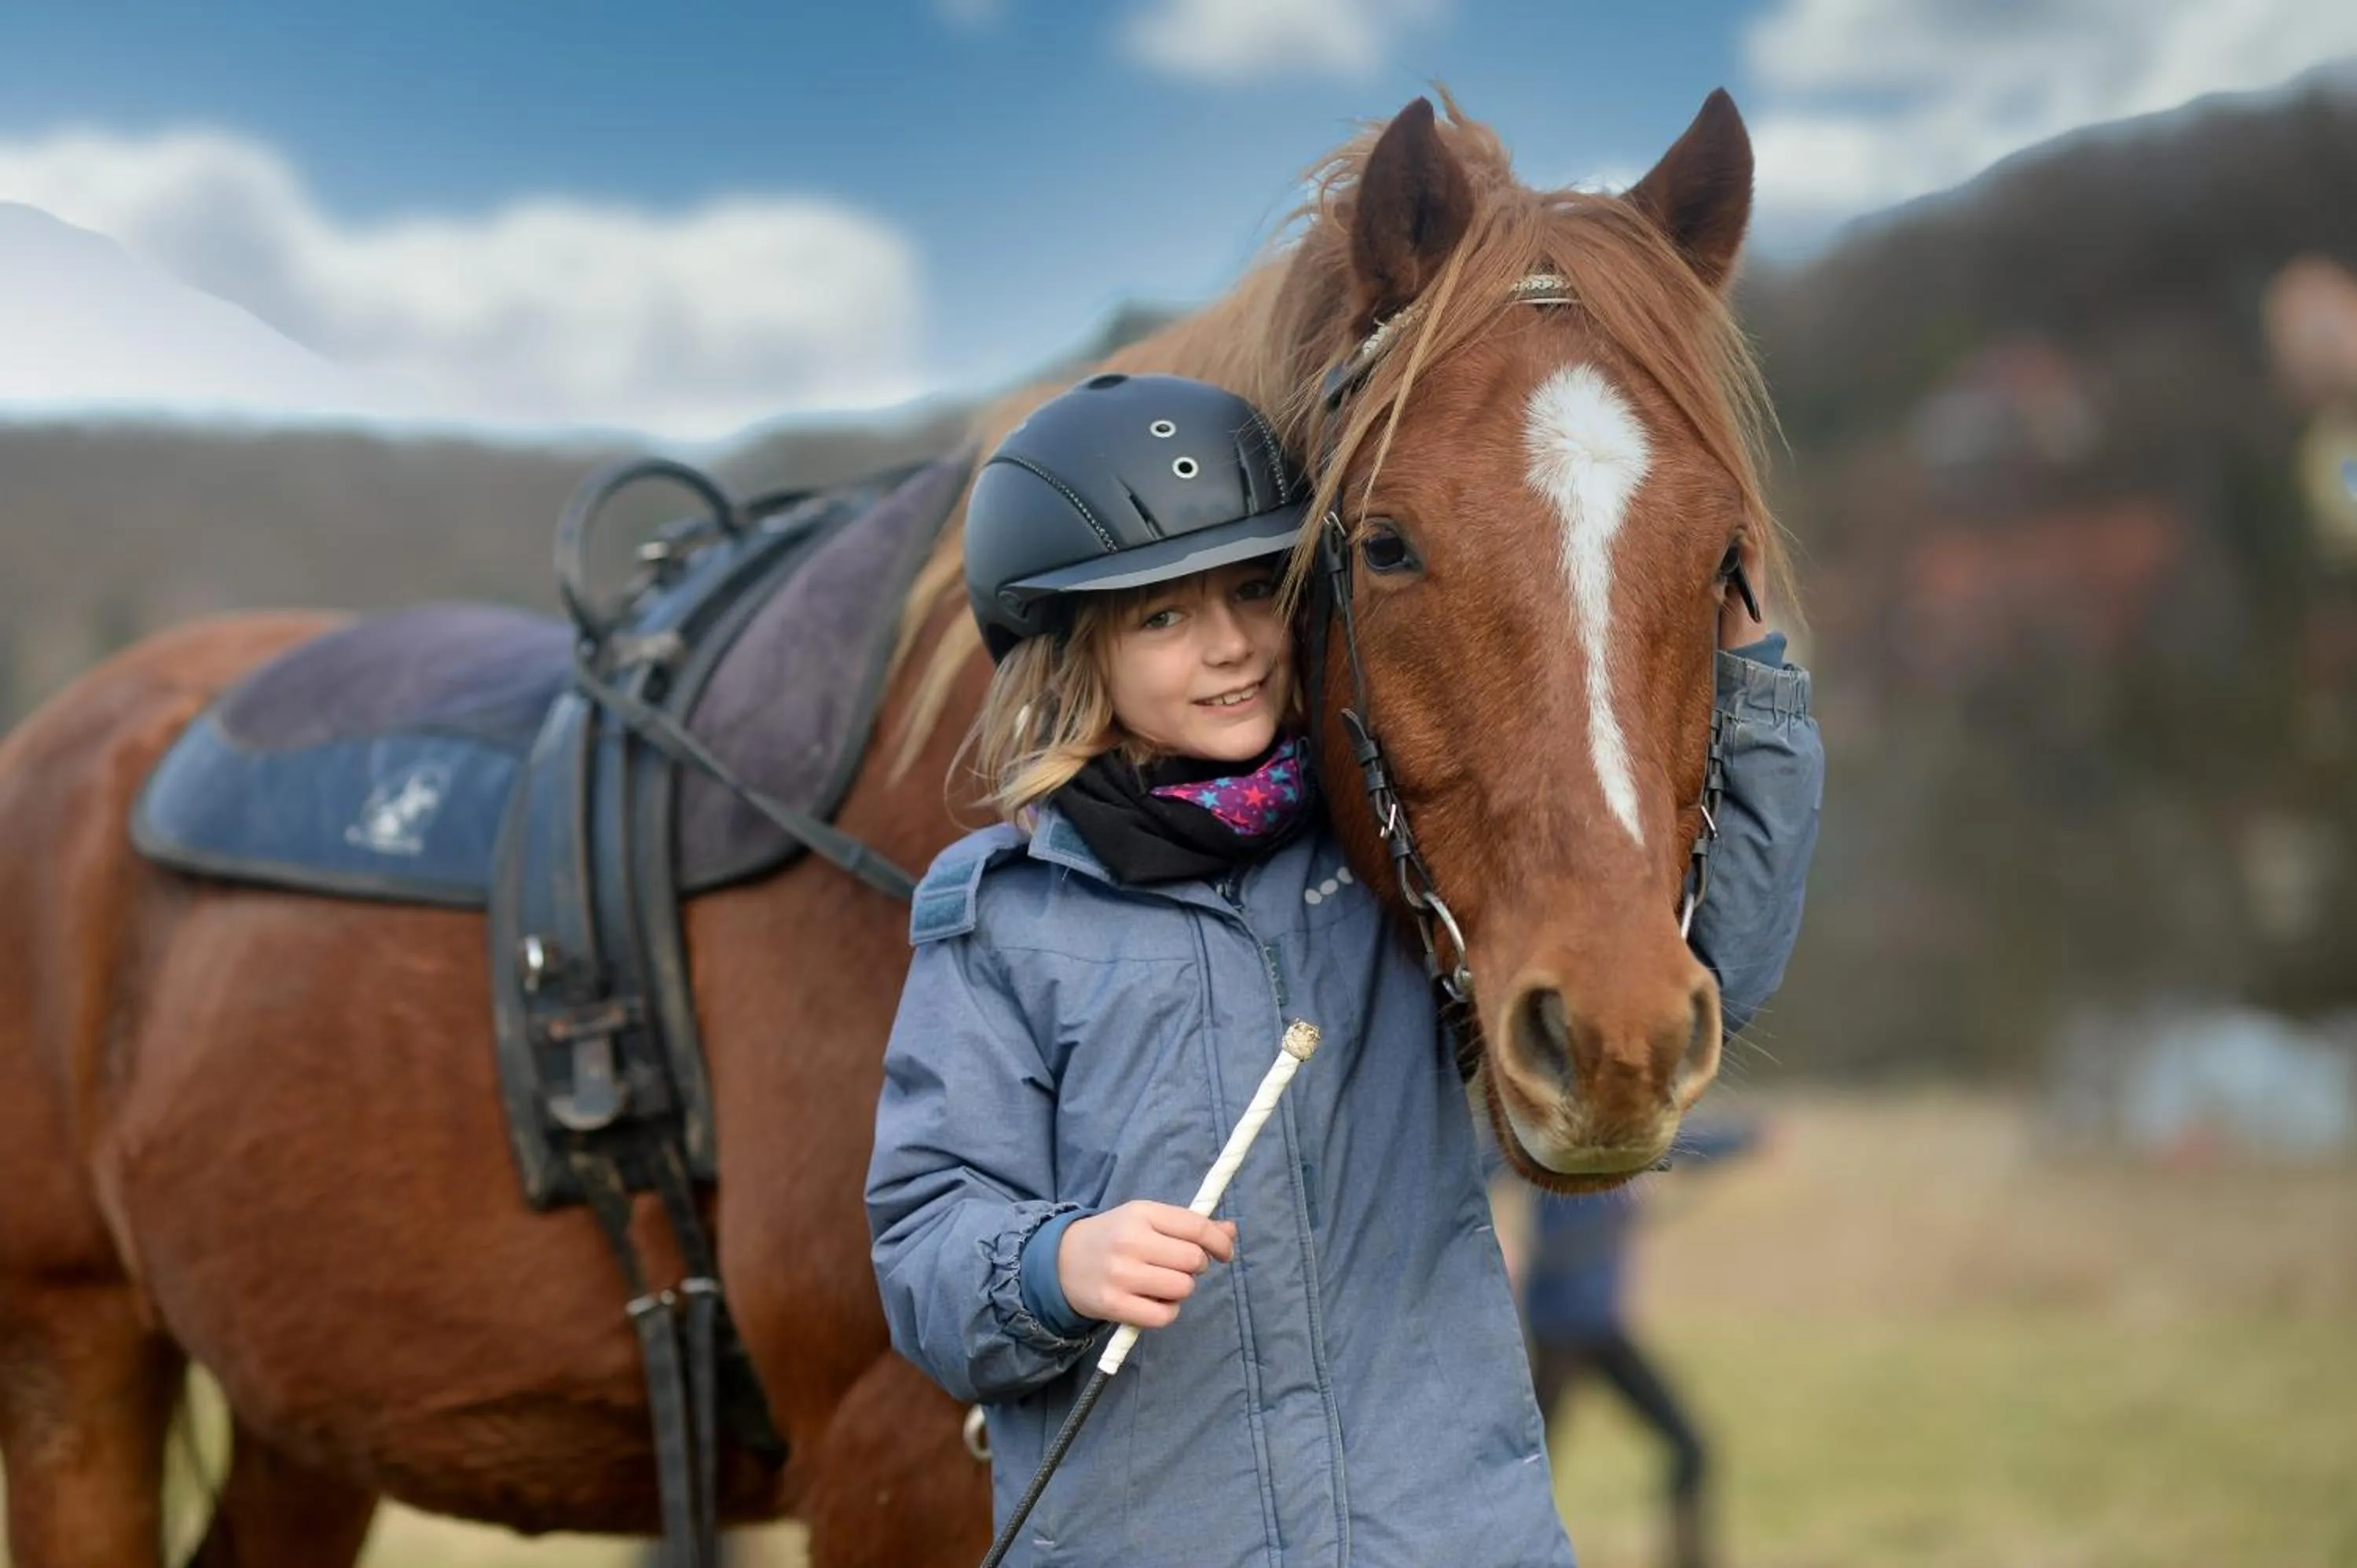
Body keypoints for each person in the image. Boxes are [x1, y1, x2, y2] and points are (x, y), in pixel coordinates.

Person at [864, 374, 1824, 1566]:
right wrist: (1057, 1265)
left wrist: (1759, 698)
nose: (1227, 646)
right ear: (1075, 655)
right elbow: (926, 1246)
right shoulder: (1000, 926)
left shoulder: (1392, 875)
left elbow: (1711, 959)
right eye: (1161, 618)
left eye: (1254, 591)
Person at [1518, 1117, 1766, 1568]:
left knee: (1691, 1448)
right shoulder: (1549, 1137)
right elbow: (1479, 1161)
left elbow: (1684, 1144)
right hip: (1558, 1333)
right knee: (1524, 1468)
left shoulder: (1624, 1141)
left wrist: (1746, 1138)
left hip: (1602, 1331)